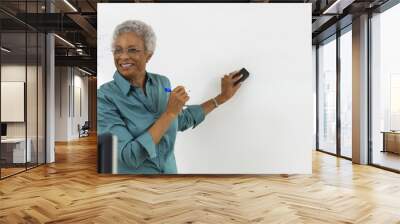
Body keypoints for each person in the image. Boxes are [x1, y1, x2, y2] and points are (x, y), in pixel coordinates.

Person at [98, 20, 242, 174]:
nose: (123, 57)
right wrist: (169, 113)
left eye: (132, 50)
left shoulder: (162, 83)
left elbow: (180, 120)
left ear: (149, 55)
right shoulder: (104, 97)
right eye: (118, 50)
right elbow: (129, 156)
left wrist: (222, 97)